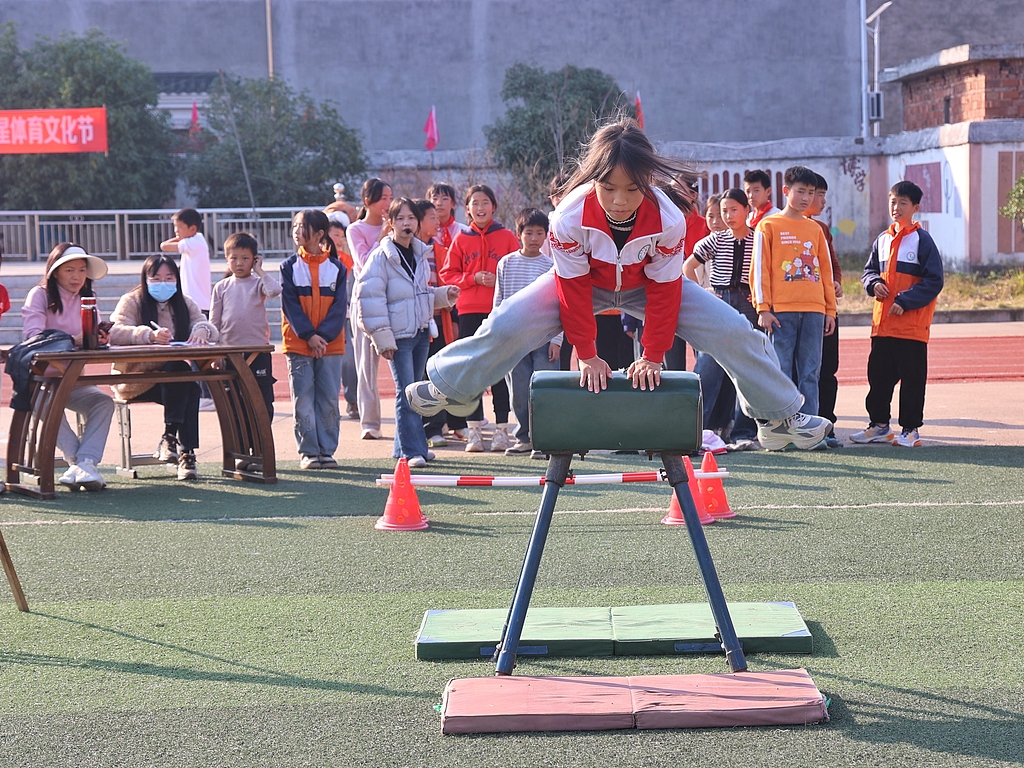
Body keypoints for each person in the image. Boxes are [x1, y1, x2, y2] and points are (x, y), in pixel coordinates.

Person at [406, 119, 831, 452]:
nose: (620, 200)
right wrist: (587, 356)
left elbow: (665, 293)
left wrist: (652, 356)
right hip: (583, 285)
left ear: (648, 181)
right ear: (594, 179)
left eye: (632, 189)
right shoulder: (568, 217)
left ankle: (778, 417)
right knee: (506, 323)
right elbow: (571, 293)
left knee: (734, 329)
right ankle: (454, 389)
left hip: (647, 286)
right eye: (609, 188)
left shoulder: (668, 218)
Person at [354, 198, 459, 468]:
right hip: (398, 336)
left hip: (421, 331)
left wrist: (443, 296)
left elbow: (418, 294)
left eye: (411, 218)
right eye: (400, 218)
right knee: (406, 392)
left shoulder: (420, 252)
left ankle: (409, 447)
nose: (406, 223)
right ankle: (411, 451)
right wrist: (382, 338)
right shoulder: (380, 256)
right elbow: (369, 298)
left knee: (417, 391)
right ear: (390, 223)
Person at [109, 254, 219, 481]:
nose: (164, 283)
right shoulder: (132, 301)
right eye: (157, 278)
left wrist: (202, 330)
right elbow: (114, 331)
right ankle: (184, 453)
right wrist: (147, 335)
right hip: (135, 378)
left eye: (169, 278)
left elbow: (205, 324)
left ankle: (173, 443)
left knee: (183, 378)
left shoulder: (183, 301)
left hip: (171, 378)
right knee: (187, 383)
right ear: (146, 278)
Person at [851, 180, 943, 447]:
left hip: (911, 327)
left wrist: (905, 300)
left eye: (903, 203)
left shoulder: (923, 241)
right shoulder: (882, 239)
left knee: (912, 382)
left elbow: (934, 280)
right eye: (893, 201)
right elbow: (868, 271)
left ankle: (910, 430)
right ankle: (879, 425)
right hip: (882, 325)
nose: (896, 207)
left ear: (915, 207)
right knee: (878, 379)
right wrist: (873, 283)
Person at [750, 166, 836, 434]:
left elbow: (826, 271)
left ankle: (810, 430)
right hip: (781, 313)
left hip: (814, 311)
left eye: (811, 193)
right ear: (786, 191)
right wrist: (763, 308)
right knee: (781, 372)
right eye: (801, 191)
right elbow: (759, 269)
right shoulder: (769, 225)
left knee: (811, 372)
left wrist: (830, 310)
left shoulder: (816, 229)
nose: (806, 198)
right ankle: (782, 427)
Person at [22, 243, 115, 491]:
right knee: (48, 404)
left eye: (82, 270)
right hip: (40, 382)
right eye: (69, 270)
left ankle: (83, 463)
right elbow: (33, 338)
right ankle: (81, 463)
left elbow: (90, 337)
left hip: (72, 381)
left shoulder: (87, 300)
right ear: (55, 272)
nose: (77, 277)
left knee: (103, 402)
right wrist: (73, 340)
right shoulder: (39, 295)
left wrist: (100, 338)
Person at [439, 184, 521, 452]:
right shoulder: (461, 239)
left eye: (485, 202)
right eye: (475, 203)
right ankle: (473, 429)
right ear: (468, 209)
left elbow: (517, 267)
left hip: (498, 311)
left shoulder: (507, 236)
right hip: (469, 311)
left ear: (493, 207)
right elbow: (447, 274)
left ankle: (501, 430)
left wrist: (498, 280)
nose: (480, 207)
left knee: (498, 368)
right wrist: (472, 278)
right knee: (472, 369)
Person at [684, 189, 761, 450]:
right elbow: (688, 267)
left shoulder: (759, 239)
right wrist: (703, 294)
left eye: (733, 210)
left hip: (749, 306)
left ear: (747, 210)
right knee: (707, 369)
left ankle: (743, 433)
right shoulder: (714, 240)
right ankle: (694, 432)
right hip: (719, 303)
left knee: (746, 370)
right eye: (724, 210)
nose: (728, 216)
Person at [281, 209, 348, 469]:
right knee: (303, 398)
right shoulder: (289, 267)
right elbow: (290, 306)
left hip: (331, 346)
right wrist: (309, 335)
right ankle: (309, 451)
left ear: (320, 233)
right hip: (299, 344)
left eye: (303, 226)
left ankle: (327, 450)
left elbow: (339, 307)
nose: (297, 231)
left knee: (329, 397)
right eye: (295, 226)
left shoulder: (337, 267)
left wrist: (324, 337)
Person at [493, 208, 562, 458]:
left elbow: (560, 305)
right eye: (528, 232)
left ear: (546, 236)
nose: (534, 238)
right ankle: (524, 439)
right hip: (514, 339)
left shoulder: (552, 266)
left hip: (544, 338)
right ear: (518, 234)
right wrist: (497, 335)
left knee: (545, 391)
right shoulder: (507, 264)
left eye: (539, 233)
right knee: (519, 392)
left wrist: (557, 340)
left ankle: (545, 440)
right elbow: (498, 302)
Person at [209, 231, 281, 421]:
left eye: (245, 258)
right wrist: (215, 352)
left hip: (257, 351)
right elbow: (213, 323)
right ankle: (240, 443)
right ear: (227, 259)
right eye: (234, 258)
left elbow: (275, 290)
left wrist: (260, 271)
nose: (239, 263)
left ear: (255, 260)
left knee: (261, 398)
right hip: (230, 352)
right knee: (233, 399)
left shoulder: (258, 284)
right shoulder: (221, 287)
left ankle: (261, 440)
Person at [346, 179, 393, 440]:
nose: (387, 203)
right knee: (365, 364)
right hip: (364, 302)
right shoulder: (356, 229)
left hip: (392, 300)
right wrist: (384, 235)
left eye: (390, 197)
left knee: (401, 362)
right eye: (383, 198)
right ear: (368, 202)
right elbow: (364, 263)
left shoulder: (396, 226)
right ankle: (370, 422)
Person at [413, 198, 461, 449]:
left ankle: (436, 427)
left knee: (437, 374)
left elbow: (449, 286)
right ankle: (421, 429)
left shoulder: (441, 250)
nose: (437, 222)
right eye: (432, 217)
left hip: (440, 321)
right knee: (418, 376)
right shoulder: (408, 251)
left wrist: (452, 320)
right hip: (415, 323)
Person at [160, 207, 214, 410]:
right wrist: (182, 234)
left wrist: (180, 238)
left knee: (198, 352)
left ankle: (207, 395)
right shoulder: (193, 241)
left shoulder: (194, 243)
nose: (176, 232)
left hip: (198, 305)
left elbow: (164, 246)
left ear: (192, 228)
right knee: (193, 351)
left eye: (178, 228)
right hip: (194, 303)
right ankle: (203, 394)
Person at [807, 172, 844, 448]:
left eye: (822, 194)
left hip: (825, 310)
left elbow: (833, 265)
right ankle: (799, 426)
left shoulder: (821, 228)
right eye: (818, 194)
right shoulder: (776, 226)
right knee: (801, 370)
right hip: (797, 311)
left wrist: (837, 284)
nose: (821, 200)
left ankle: (826, 425)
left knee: (827, 371)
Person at [328, 216, 359, 420]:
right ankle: (328, 404)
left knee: (349, 361)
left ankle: (353, 401)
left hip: (344, 319)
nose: (339, 239)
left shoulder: (348, 261)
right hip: (323, 319)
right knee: (327, 364)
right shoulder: (318, 260)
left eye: (342, 235)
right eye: (335, 235)